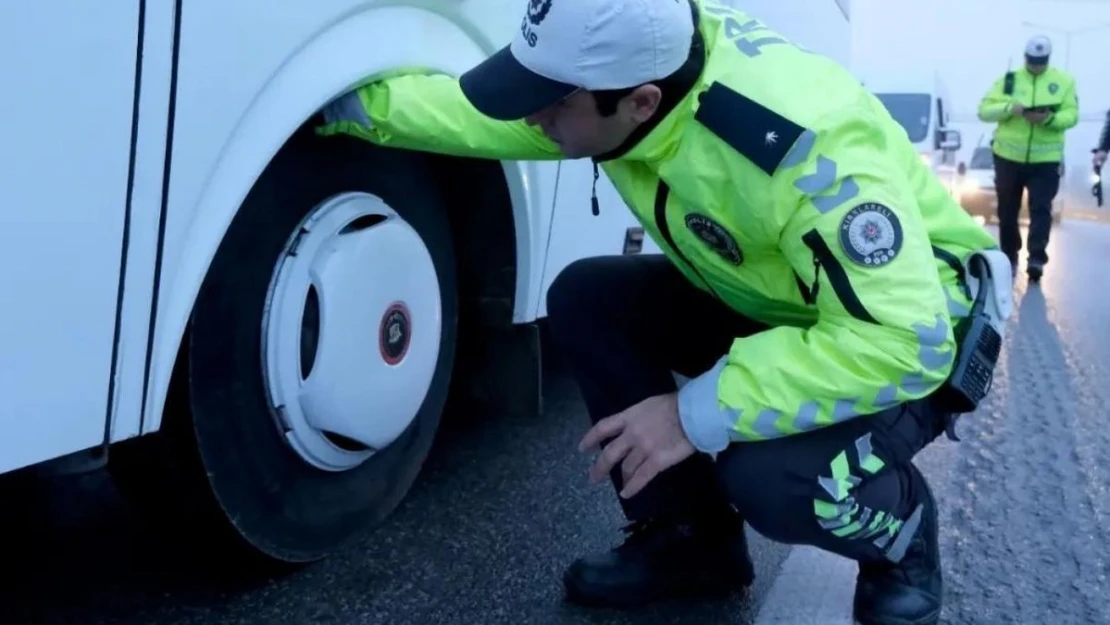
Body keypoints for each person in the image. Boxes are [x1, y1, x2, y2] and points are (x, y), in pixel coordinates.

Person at [319, 1, 1004, 623]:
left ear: (642, 103)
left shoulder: (806, 149)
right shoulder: (625, 69)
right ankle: (691, 542)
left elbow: (904, 339)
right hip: (785, 301)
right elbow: (482, 117)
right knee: (588, 298)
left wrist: (691, 412)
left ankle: (901, 534)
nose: (533, 117)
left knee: (772, 476)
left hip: (914, 332)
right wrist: (351, 104)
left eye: (548, 104)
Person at [977, 35, 1079, 282]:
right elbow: (983, 111)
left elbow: (1072, 115)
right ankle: (1009, 256)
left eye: (1041, 61)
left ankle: (1036, 259)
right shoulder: (1008, 81)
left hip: (1045, 160)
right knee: (1007, 211)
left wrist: (1048, 119)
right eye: (1032, 61)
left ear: (1048, 59)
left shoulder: (1063, 82)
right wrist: (1009, 108)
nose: (1036, 65)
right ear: (1025, 58)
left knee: (1041, 209)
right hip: (1008, 157)